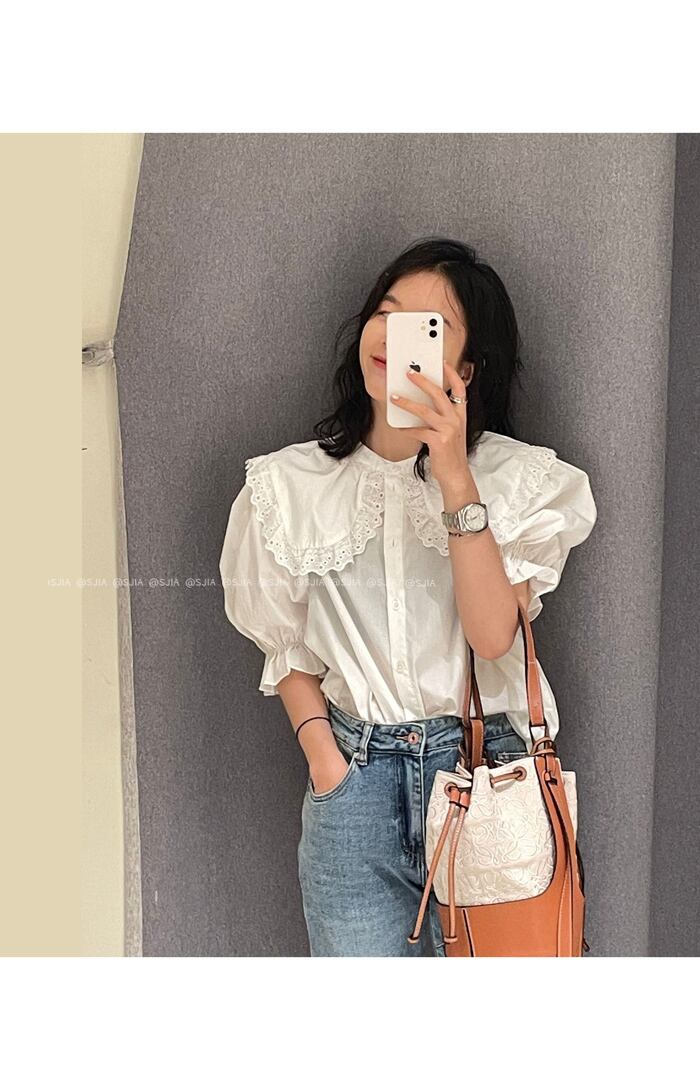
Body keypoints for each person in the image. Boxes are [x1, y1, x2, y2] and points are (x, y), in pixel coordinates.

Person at [218, 236, 598, 956]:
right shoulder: (287, 487)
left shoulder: (516, 481)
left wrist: (454, 476)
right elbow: (285, 644)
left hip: (489, 772)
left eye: (426, 328)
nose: (395, 339)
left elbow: (493, 637)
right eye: (386, 313)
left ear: (466, 367)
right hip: (352, 786)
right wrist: (327, 765)